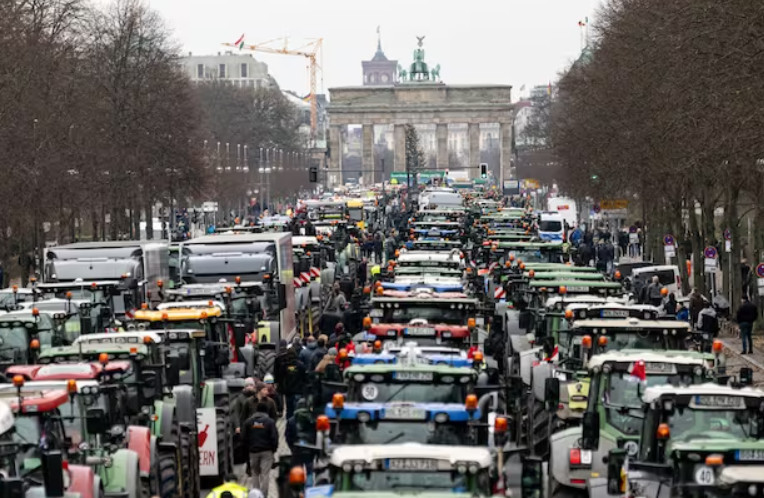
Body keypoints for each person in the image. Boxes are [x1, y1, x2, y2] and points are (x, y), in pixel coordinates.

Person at [243, 402, 279, 498]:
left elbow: (244, 438)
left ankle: (255, 495)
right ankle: (263, 495)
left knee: (254, 474)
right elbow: (274, 437)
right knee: (265, 475)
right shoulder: (270, 422)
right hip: (266, 452)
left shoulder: (248, 422)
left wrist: (247, 450)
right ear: (266, 411)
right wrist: (273, 450)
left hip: (253, 452)